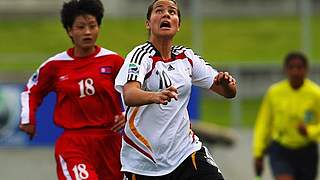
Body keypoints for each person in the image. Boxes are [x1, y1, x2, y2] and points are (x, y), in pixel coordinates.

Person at [115, 0, 237, 179]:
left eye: (172, 12)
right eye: (159, 11)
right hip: (144, 160)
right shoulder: (140, 55)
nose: (166, 14)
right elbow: (129, 94)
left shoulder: (186, 57)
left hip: (186, 152)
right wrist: (155, 96)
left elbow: (228, 92)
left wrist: (226, 82)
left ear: (178, 25)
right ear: (148, 23)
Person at [19, 0, 125, 179]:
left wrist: (128, 114)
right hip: (74, 143)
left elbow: (137, 90)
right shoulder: (55, 65)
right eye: (80, 27)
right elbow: (32, 90)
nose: (87, 32)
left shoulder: (114, 61)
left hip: (111, 141)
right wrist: (27, 118)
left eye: (92, 26)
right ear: (69, 30)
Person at [252, 52, 320, 180]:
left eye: (299, 68)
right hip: (281, 149)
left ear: (306, 70)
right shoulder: (274, 92)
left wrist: (309, 131)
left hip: (307, 150)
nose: (295, 72)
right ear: (285, 70)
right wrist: (258, 152)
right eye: (291, 67)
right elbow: (263, 123)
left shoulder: (315, 93)